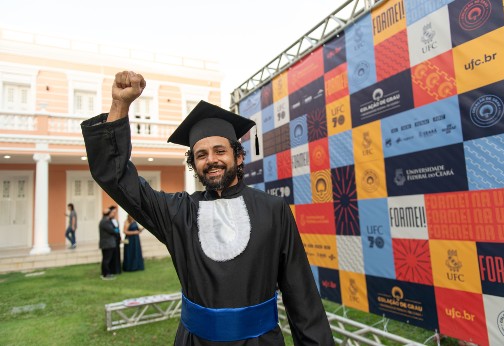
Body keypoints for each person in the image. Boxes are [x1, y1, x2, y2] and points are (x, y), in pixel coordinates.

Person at [81, 71, 334, 345]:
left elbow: (301, 294)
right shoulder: (178, 212)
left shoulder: (274, 210)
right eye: (201, 155)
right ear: (194, 163)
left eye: (220, 151)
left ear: (238, 156)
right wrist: (120, 105)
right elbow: (116, 178)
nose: (211, 160)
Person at [99, 205, 119, 280]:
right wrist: (116, 230)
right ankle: (106, 274)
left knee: (105, 259)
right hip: (107, 244)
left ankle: (105, 273)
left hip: (107, 244)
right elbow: (113, 231)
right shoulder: (105, 221)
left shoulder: (104, 221)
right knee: (106, 260)